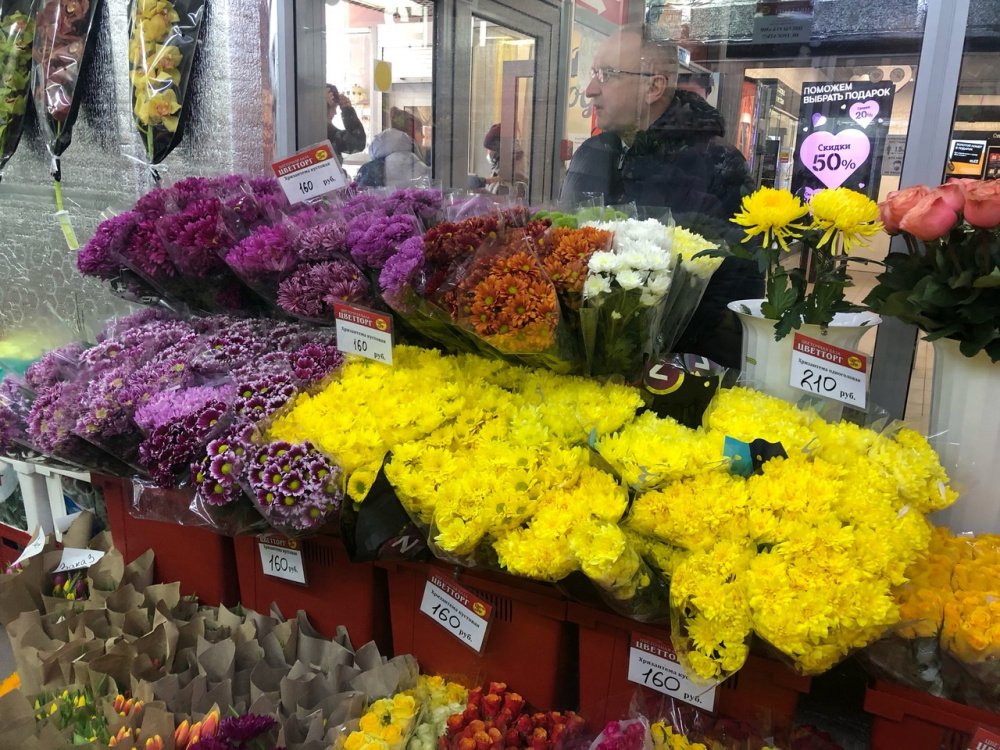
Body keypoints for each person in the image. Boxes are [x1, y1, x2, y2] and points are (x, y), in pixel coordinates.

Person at [560, 26, 762, 367]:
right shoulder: (591, 154)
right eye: (593, 74)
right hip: (588, 362)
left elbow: (738, 289)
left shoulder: (717, 164)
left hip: (677, 367)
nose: (591, 89)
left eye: (607, 75)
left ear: (654, 86)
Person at [356, 107, 430, 188]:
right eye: (419, 130)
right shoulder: (413, 164)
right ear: (411, 133)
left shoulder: (368, 168)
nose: (423, 136)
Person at [326, 84, 366, 160]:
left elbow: (358, 144)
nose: (335, 113)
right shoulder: (315, 131)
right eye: (332, 107)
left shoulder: (329, 132)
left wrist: (347, 111)